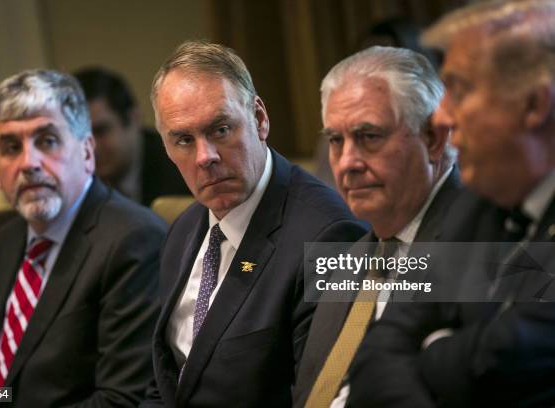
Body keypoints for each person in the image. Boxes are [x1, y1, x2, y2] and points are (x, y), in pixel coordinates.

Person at [347, 1, 555, 406]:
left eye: (459, 89)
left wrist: (434, 351)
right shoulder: (476, 203)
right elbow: (378, 350)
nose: (441, 117)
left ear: (534, 105)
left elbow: (509, 354)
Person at [141, 40, 366, 407]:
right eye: (183, 139)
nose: (205, 157)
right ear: (166, 148)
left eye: (220, 130)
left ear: (259, 119)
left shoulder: (328, 236)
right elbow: (167, 383)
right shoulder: (182, 230)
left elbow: (315, 398)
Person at [0, 70, 166, 407]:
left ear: (87, 153)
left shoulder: (134, 240)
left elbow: (122, 401)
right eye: (11, 147)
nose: (29, 163)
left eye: (47, 140)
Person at [293, 46, 460, 408]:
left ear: (433, 138)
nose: (347, 162)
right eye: (336, 140)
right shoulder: (351, 259)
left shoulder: (489, 241)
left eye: (369, 136)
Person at [74, 67, 189, 206]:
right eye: (80, 136)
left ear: (133, 118)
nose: (92, 148)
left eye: (100, 131)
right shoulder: (76, 183)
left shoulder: (182, 168)